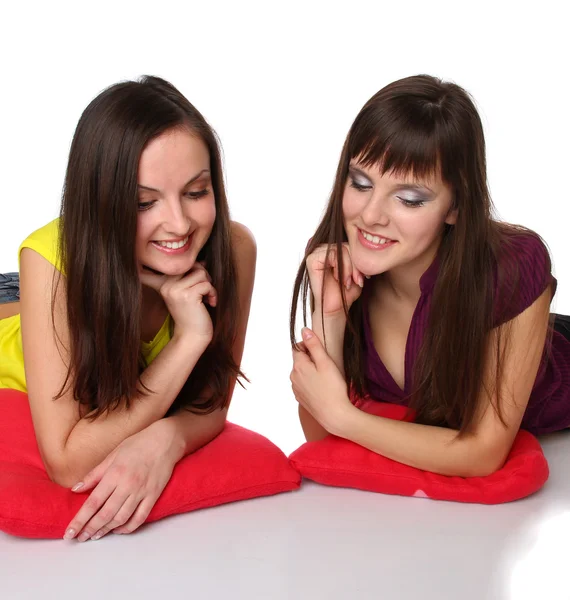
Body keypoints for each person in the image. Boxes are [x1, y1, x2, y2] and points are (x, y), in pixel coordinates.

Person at [0, 76, 256, 540]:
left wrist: (166, 438)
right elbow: (68, 463)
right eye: (143, 202)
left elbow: (212, 405)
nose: (178, 223)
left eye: (196, 192)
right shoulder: (50, 259)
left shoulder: (234, 249)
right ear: (101, 203)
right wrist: (189, 340)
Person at [290, 74, 570, 479]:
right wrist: (330, 318)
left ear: (456, 207)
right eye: (361, 183)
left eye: (409, 199)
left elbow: (482, 452)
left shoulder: (511, 266)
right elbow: (321, 438)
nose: (371, 216)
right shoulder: (337, 264)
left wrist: (345, 417)